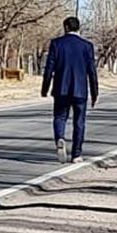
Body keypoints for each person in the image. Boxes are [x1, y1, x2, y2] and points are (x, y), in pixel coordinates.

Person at [41, 16, 99, 164]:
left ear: (66, 27)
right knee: (79, 122)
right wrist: (94, 92)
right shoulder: (87, 46)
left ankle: (60, 138)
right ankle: (76, 154)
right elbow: (92, 71)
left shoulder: (56, 44)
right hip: (80, 91)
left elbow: (49, 69)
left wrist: (45, 88)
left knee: (60, 117)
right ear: (79, 28)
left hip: (61, 89)